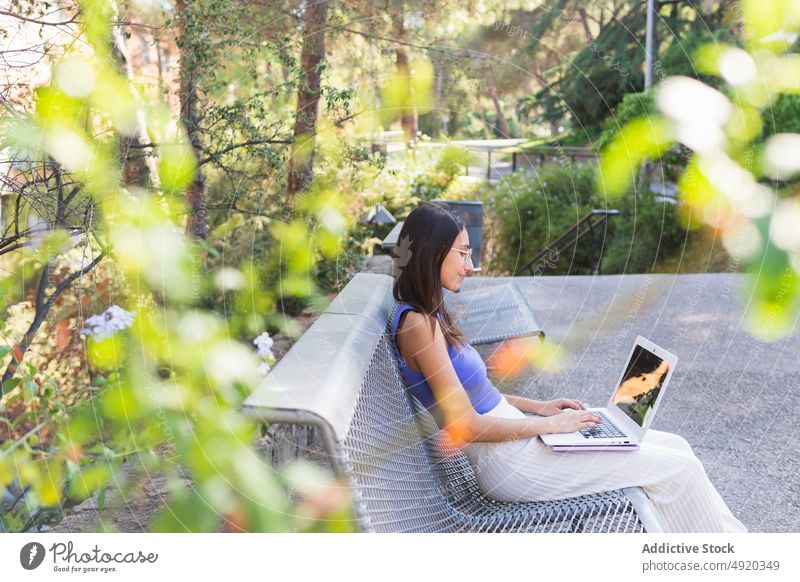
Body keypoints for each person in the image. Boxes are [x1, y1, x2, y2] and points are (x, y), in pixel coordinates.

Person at [389, 202, 747, 533]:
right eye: (463, 254)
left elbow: (480, 395)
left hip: (516, 440)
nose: (470, 265)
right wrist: (551, 425)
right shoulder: (418, 325)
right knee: (676, 470)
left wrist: (541, 408)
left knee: (677, 446)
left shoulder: (428, 316)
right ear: (434, 252)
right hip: (510, 464)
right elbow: (466, 425)